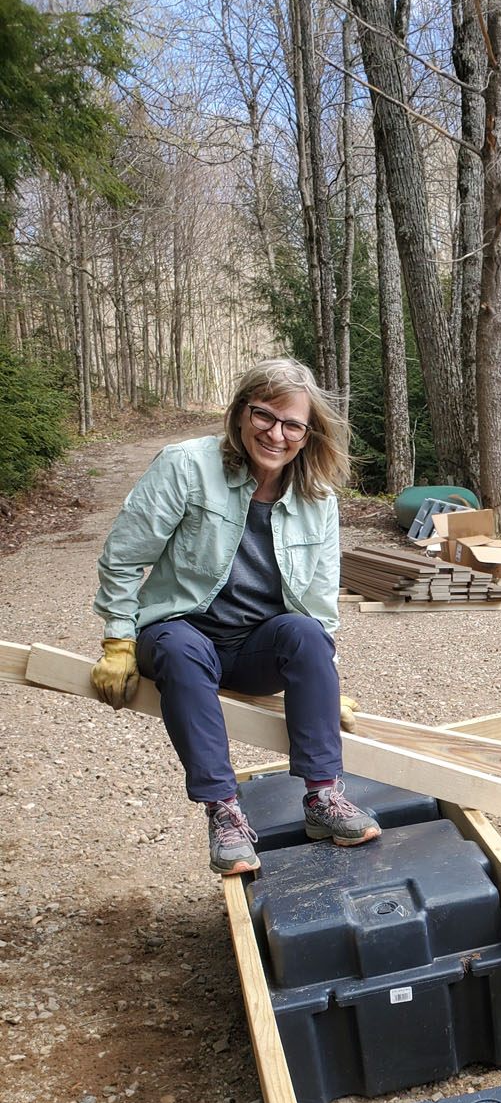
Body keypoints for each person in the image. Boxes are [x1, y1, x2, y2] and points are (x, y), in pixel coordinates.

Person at [90, 357, 380, 874]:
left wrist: (322, 682)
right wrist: (117, 639)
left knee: (307, 635)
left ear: (309, 433)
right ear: (242, 412)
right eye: (265, 416)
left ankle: (322, 799)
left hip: (254, 649)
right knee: (181, 649)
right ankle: (224, 811)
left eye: (293, 424)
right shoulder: (186, 465)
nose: (277, 434)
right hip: (181, 631)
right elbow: (123, 555)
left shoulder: (318, 497)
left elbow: (318, 599)